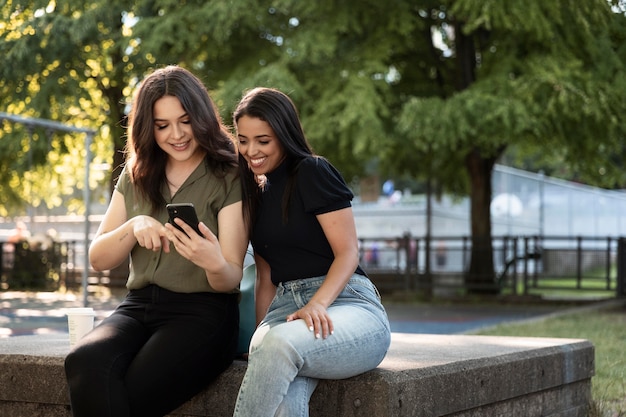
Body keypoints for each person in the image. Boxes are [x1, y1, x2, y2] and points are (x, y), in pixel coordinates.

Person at [64, 65, 248, 417]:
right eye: (162, 125)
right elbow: (98, 259)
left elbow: (231, 275)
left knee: (129, 391)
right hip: (138, 307)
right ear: (148, 128)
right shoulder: (136, 175)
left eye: (184, 121)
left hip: (204, 311)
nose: (176, 134)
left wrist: (212, 260)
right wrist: (133, 226)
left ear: (201, 117)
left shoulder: (228, 174)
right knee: (85, 360)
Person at [232, 87, 391, 417]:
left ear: (284, 133)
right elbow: (265, 279)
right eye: (243, 140)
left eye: (263, 140)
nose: (251, 150)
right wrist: (257, 347)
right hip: (285, 313)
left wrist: (317, 303)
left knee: (277, 345)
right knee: (284, 402)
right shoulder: (254, 193)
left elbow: (348, 253)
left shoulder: (311, 171)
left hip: (347, 304)